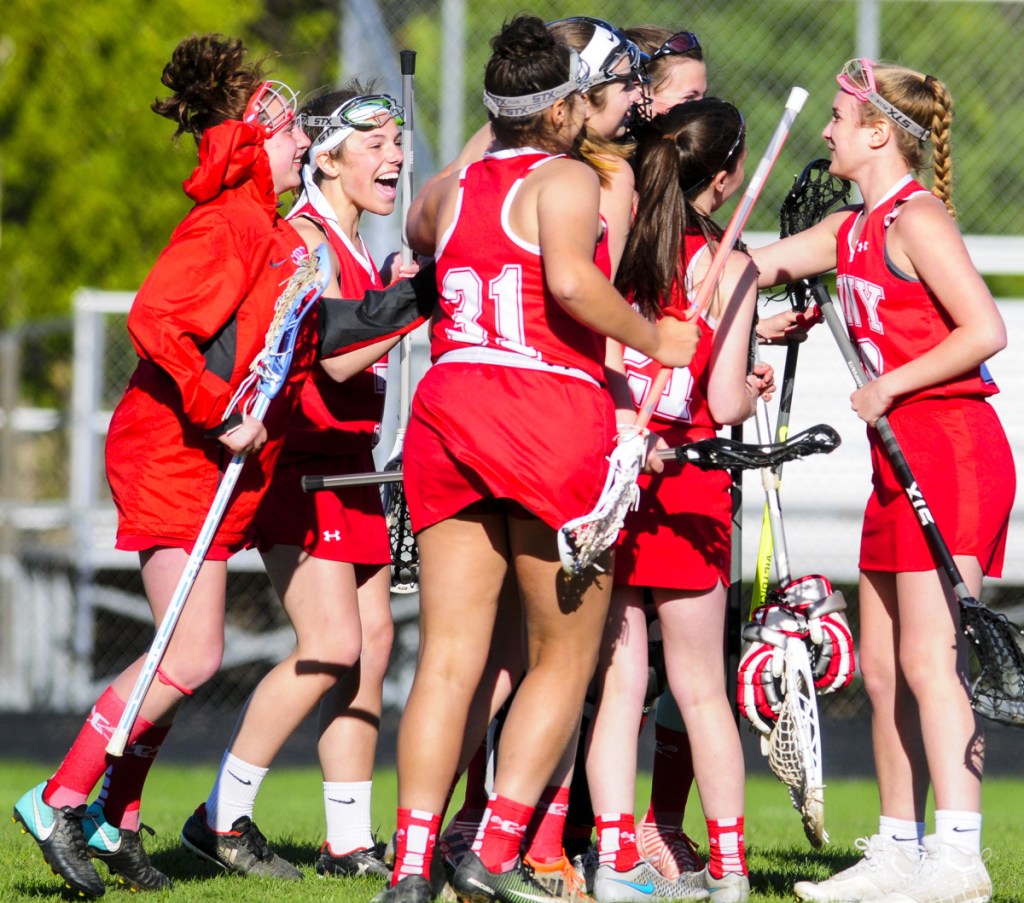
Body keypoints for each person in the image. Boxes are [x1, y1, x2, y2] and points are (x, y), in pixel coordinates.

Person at [11, 34, 434, 898]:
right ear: (251, 145)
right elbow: (154, 322)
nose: (296, 150)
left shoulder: (275, 238)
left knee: (187, 652)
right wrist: (221, 408)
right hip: (176, 452)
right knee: (189, 652)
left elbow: (326, 341)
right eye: (285, 139)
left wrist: (417, 291)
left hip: (216, 462)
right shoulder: (231, 224)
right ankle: (61, 795)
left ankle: (118, 820)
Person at [377, 16, 700, 903]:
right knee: (565, 653)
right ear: (561, 109)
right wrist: (656, 338)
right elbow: (569, 281)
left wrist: (498, 123)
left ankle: (409, 867)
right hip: (544, 411)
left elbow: (417, 228)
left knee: (448, 654)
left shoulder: (450, 189)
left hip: (446, 411)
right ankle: (494, 847)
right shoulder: (566, 178)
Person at [750, 58, 1014, 903]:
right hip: (895, 462)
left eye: (836, 117)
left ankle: (958, 856)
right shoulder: (849, 228)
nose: (825, 131)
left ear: (875, 134)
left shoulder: (915, 219)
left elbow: (985, 328)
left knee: (933, 661)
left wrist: (892, 383)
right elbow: (756, 267)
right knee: (883, 669)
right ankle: (899, 847)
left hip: (951, 448)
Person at [180, 83, 415, 881]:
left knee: (371, 649)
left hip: (355, 466)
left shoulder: (352, 246)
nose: (394, 157)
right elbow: (340, 356)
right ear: (328, 154)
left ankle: (347, 839)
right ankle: (221, 814)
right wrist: (420, 292)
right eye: (376, 142)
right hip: (305, 466)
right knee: (331, 644)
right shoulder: (307, 238)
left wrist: (395, 287)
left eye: (398, 141)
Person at [586, 99, 773, 903]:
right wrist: (750, 376)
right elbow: (726, 401)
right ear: (726, 177)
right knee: (699, 686)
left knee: (621, 683)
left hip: (616, 473)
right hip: (688, 482)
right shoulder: (732, 268)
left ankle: (614, 859)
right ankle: (728, 871)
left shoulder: (616, 247)